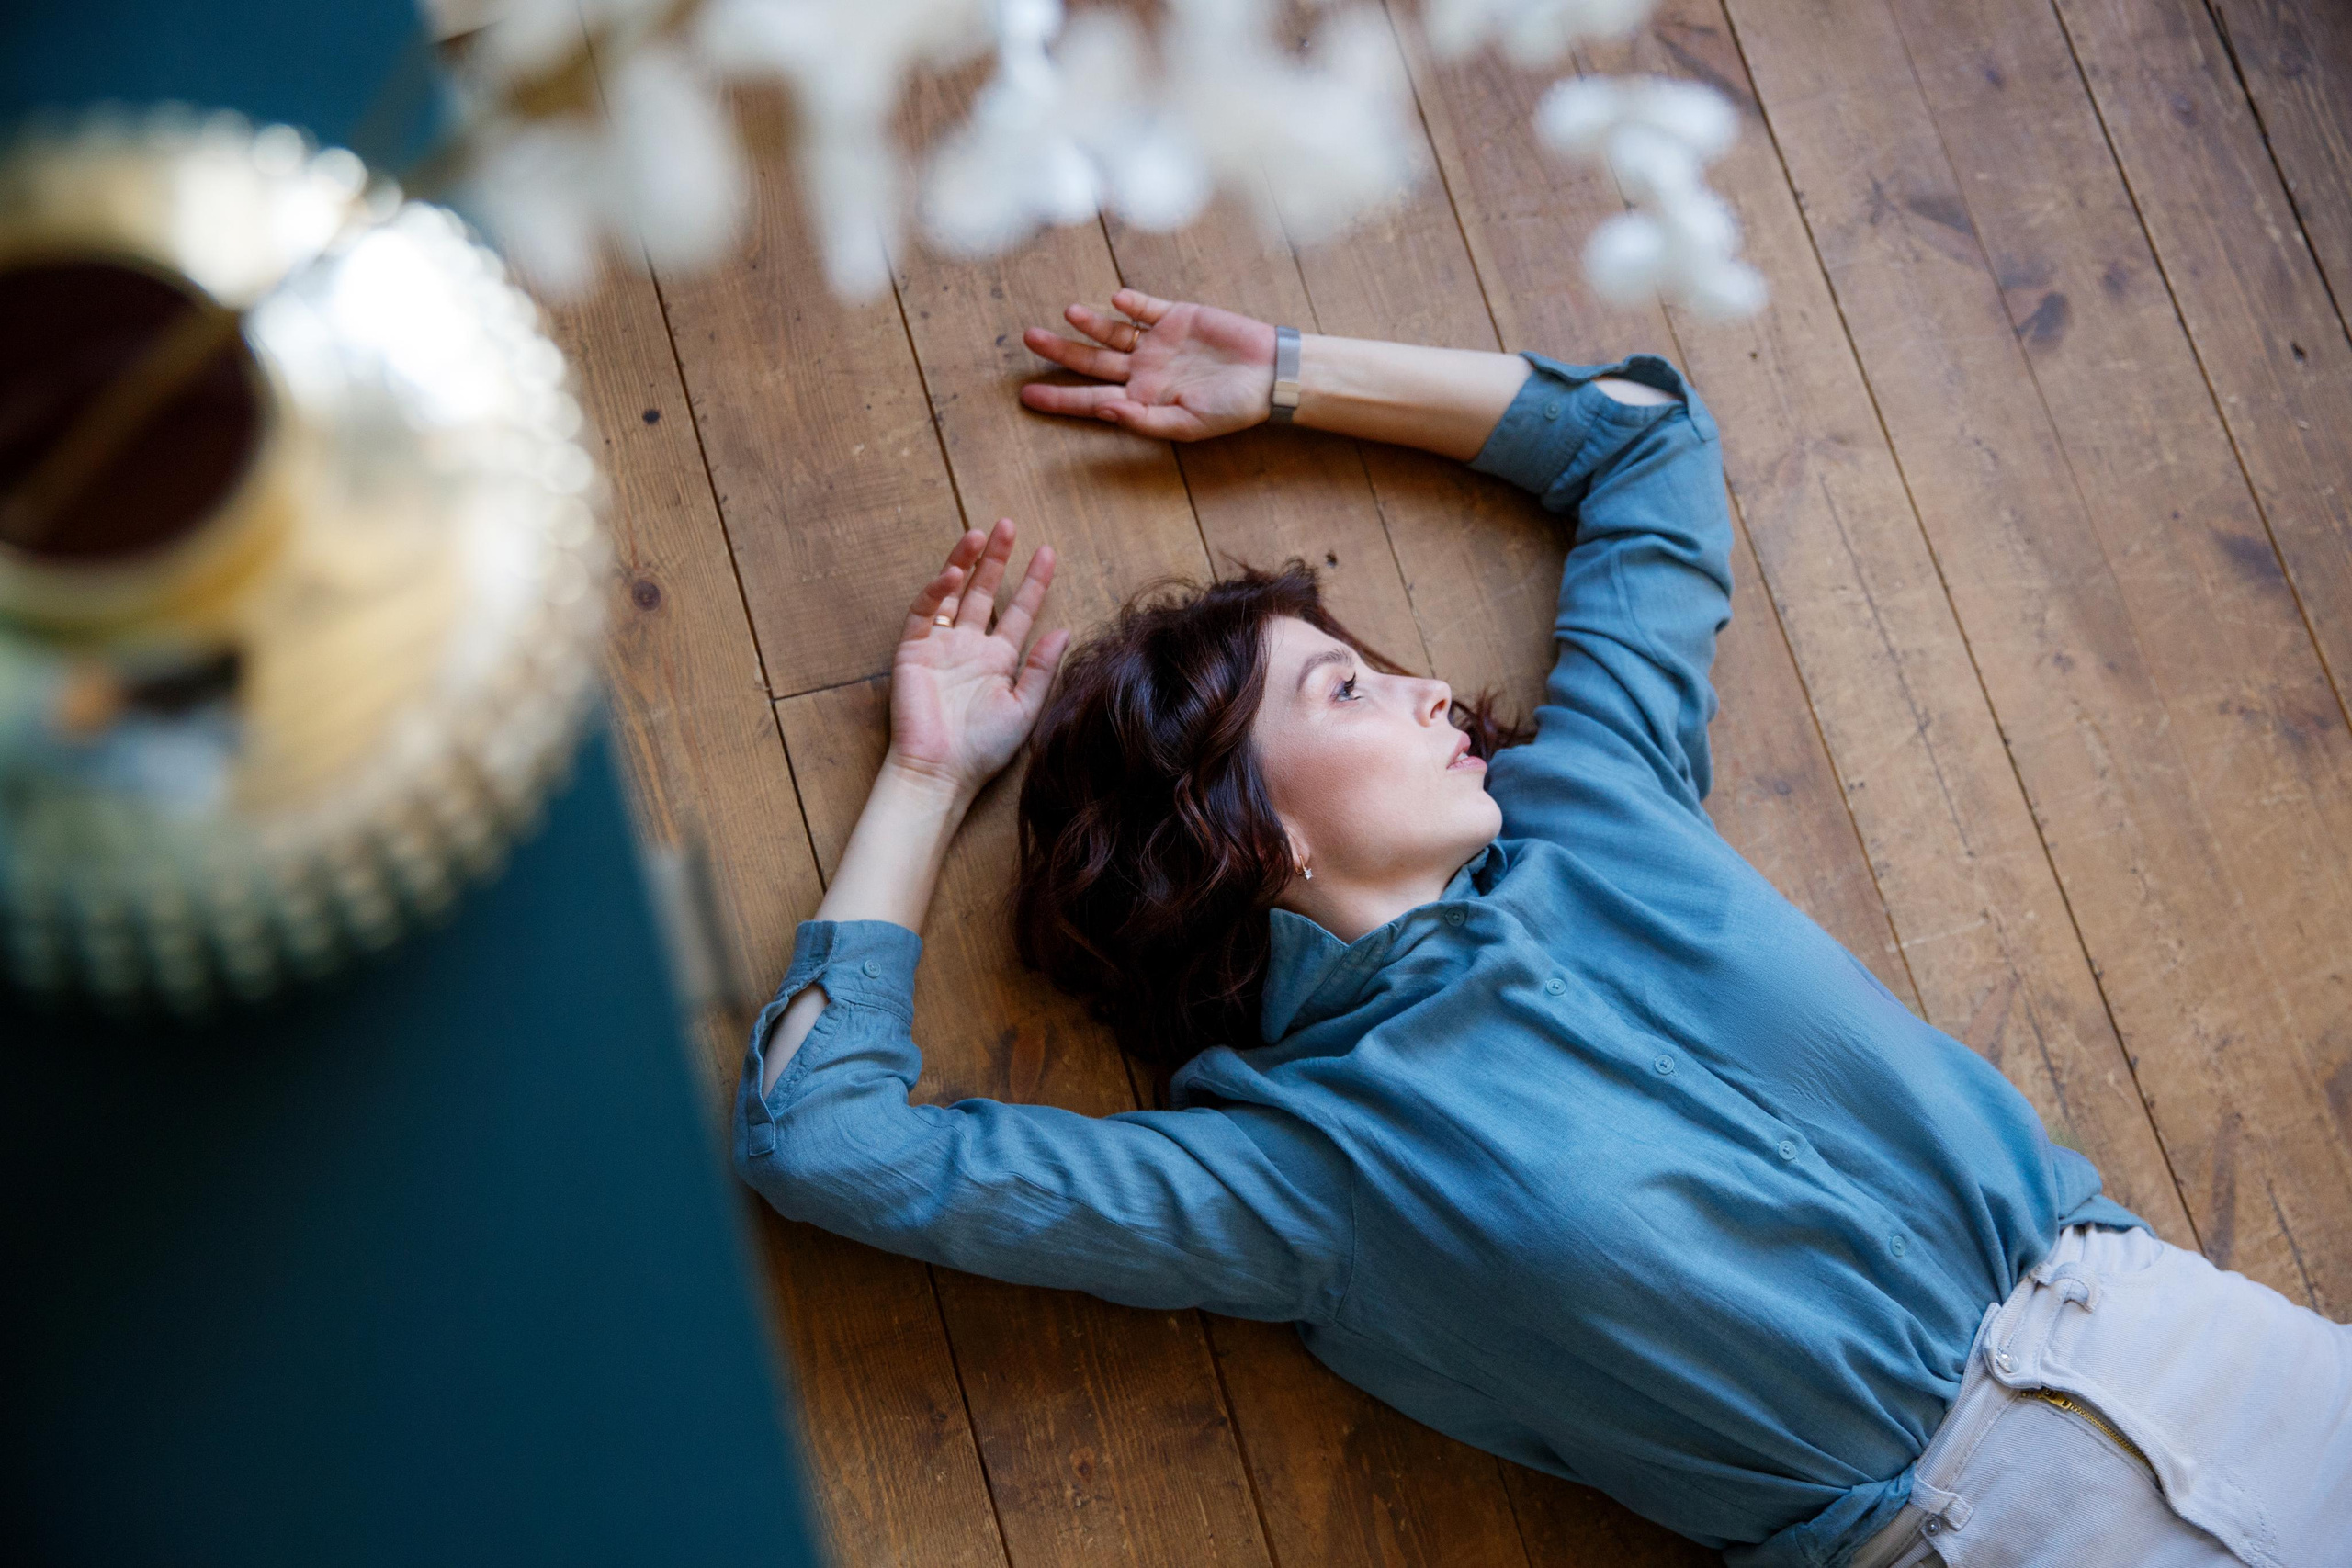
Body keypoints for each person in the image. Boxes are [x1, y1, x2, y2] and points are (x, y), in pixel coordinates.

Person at [733, 289, 2351, 1567]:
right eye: (1346, 686)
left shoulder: (1595, 795)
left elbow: (1645, 443)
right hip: (1968, 1538)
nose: (1429, 685)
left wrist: (1288, 372)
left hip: (2218, 1360)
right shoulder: (1288, 1172)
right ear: (1253, 836)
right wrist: (931, 777)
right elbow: (821, 1138)